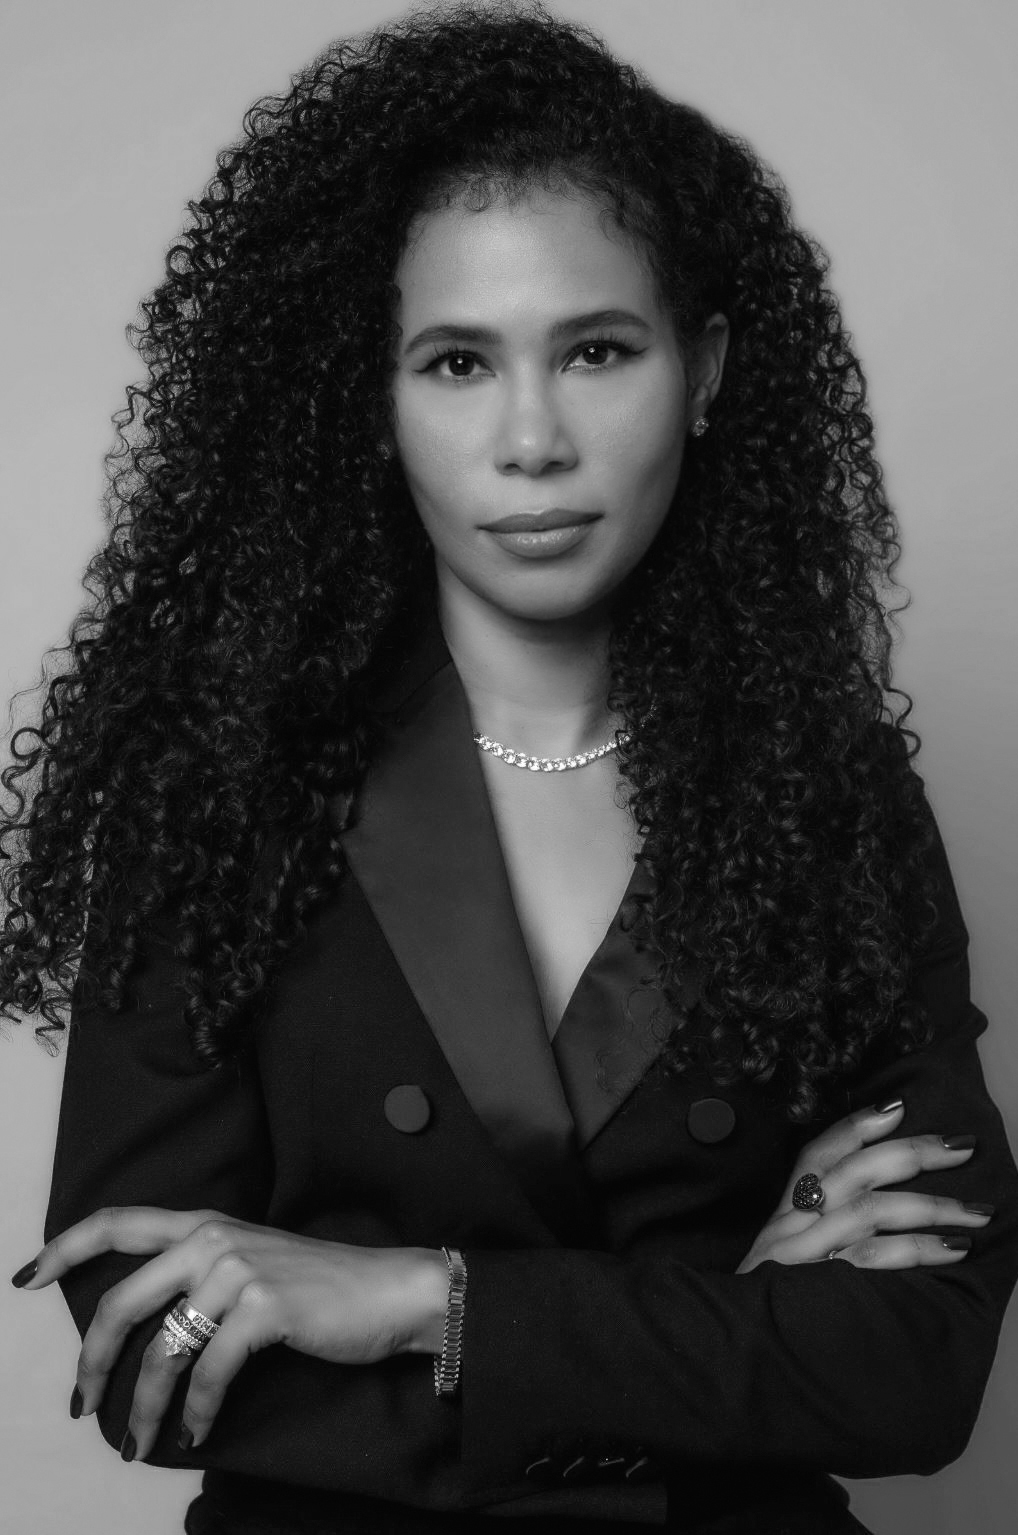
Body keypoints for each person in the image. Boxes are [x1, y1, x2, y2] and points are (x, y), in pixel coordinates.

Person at [3, 3, 1017, 1531]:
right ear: (373, 396)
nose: (530, 438)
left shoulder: (827, 793)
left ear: (704, 370)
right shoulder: (217, 786)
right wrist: (713, 1333)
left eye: (595, 350)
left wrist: (429, 1300)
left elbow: (914, 1369)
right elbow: (156, 1351)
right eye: (456, 361)